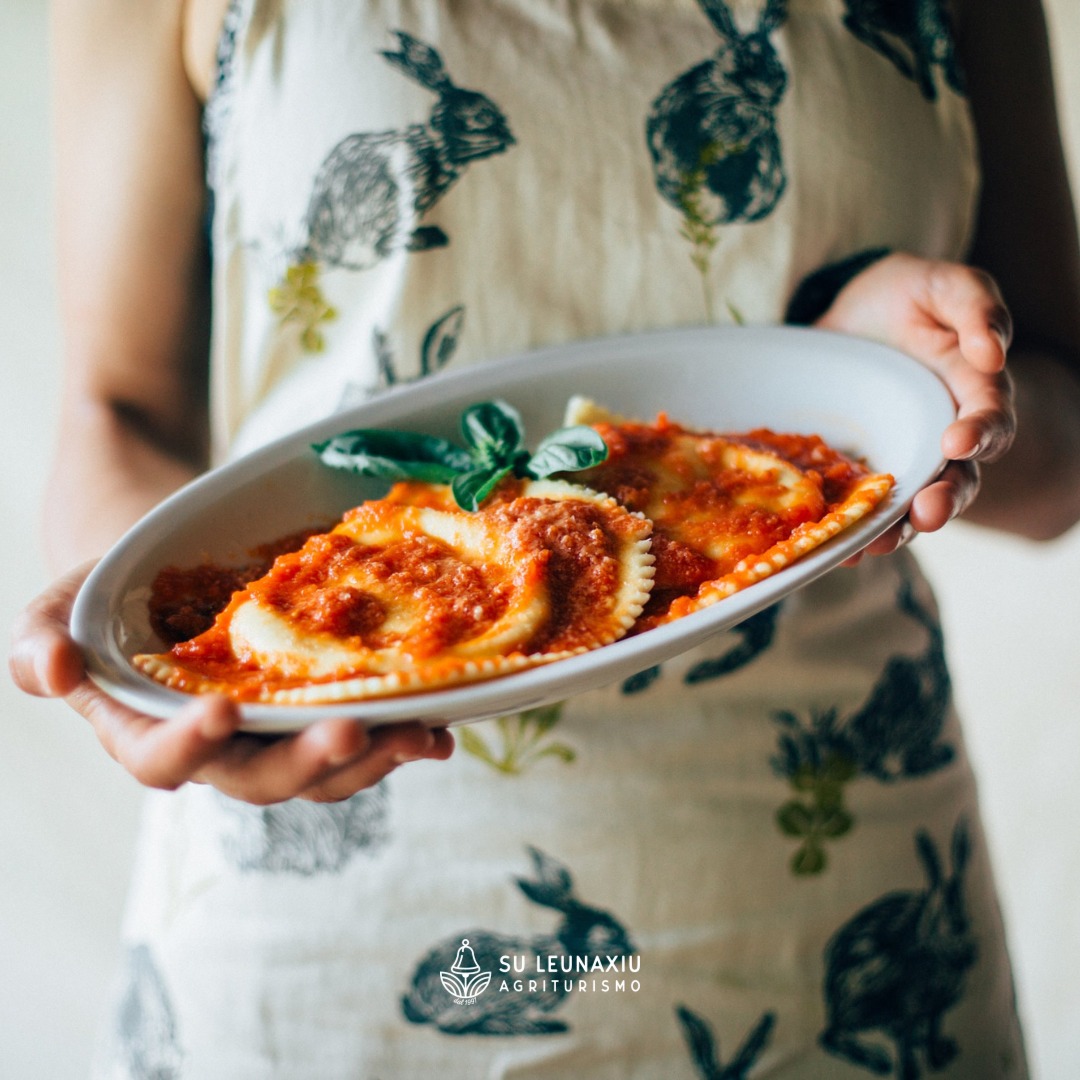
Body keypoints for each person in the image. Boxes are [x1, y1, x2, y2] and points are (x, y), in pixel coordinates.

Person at [10, 0, 1080, 1074]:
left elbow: (1062, 468)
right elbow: (119, 407)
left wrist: (905, 392)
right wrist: (145, 630)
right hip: (322, 922)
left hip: (834, 889)